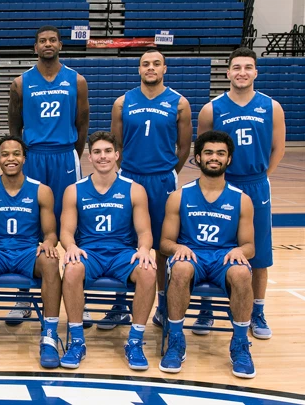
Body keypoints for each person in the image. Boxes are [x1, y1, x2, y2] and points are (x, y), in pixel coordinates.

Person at [196, 47, 285, 340]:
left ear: (256, 72)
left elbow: (278, 148)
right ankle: (206, 308)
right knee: (209, 246)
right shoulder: (212, 109)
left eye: (247, 67)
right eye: (236, 67)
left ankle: (257, 311)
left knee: (259, 253)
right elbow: (203, 149)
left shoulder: (272, 107)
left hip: (256, 185)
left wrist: (262, 177)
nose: (242, 72)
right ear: (228, 73)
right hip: (221, 185)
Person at [7, 25, 90, 325]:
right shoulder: (20, 83)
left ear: (60, 45)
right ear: (35, 47)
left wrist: (72, 153)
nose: (47, 44)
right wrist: (22, 155)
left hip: (64, 155)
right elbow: (14, 126)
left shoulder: (76, 80)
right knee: (30, 225)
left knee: (73, 226)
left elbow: (82, 122)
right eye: (42, 40)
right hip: (33, 156)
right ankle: (23, 296)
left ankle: (79, 298)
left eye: (52, 40)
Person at [159, 130, 256, 378]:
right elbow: (165, 243)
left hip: (224, 258)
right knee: (180, 267)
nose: (214, 157)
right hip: (192, 256)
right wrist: (178, 248)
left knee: (242, 273)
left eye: (220, 153)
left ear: (229, 159)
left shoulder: (242, 200)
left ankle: (240, 344)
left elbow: (249, 247)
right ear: (198, 157)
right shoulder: (179, 196)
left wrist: (240, 250)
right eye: (209, 153)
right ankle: (176, 340)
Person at [107, 49, 192, 329]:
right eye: (145, 64)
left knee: (162, 245)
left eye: (156, 64)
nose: (151, 68)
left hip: (162, 180)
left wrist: (169, 172)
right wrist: (125, 173)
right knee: (125, 241)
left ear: (165, 68)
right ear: (139, 69)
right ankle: (120, 304)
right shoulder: (122, 102)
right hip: (130, 178)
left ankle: (163, 306)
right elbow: (116, 145)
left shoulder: (179, 103)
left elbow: (184, 147)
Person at [58, 131, 157, 370]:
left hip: (123, 254)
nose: (103, 156)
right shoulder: (74, 190)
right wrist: (70, 247)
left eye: (108, 151)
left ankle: (135, 341)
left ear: (117, 155)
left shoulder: (134, 189)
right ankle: (77, 341)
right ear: (89, 157)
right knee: (71, 269)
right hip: (89, 253)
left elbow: (144, 231)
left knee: (148, 271)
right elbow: (66, 231)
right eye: (97, 152)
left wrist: (144, 249)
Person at [0, 135, 62, 368]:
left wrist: (48, 243)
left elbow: (51, 234)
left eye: (16, 154)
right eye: (5, 154)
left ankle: (49, 335)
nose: (11, 158)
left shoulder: (41, 191)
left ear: (24, 158)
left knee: (50, 261)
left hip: (28, 251)